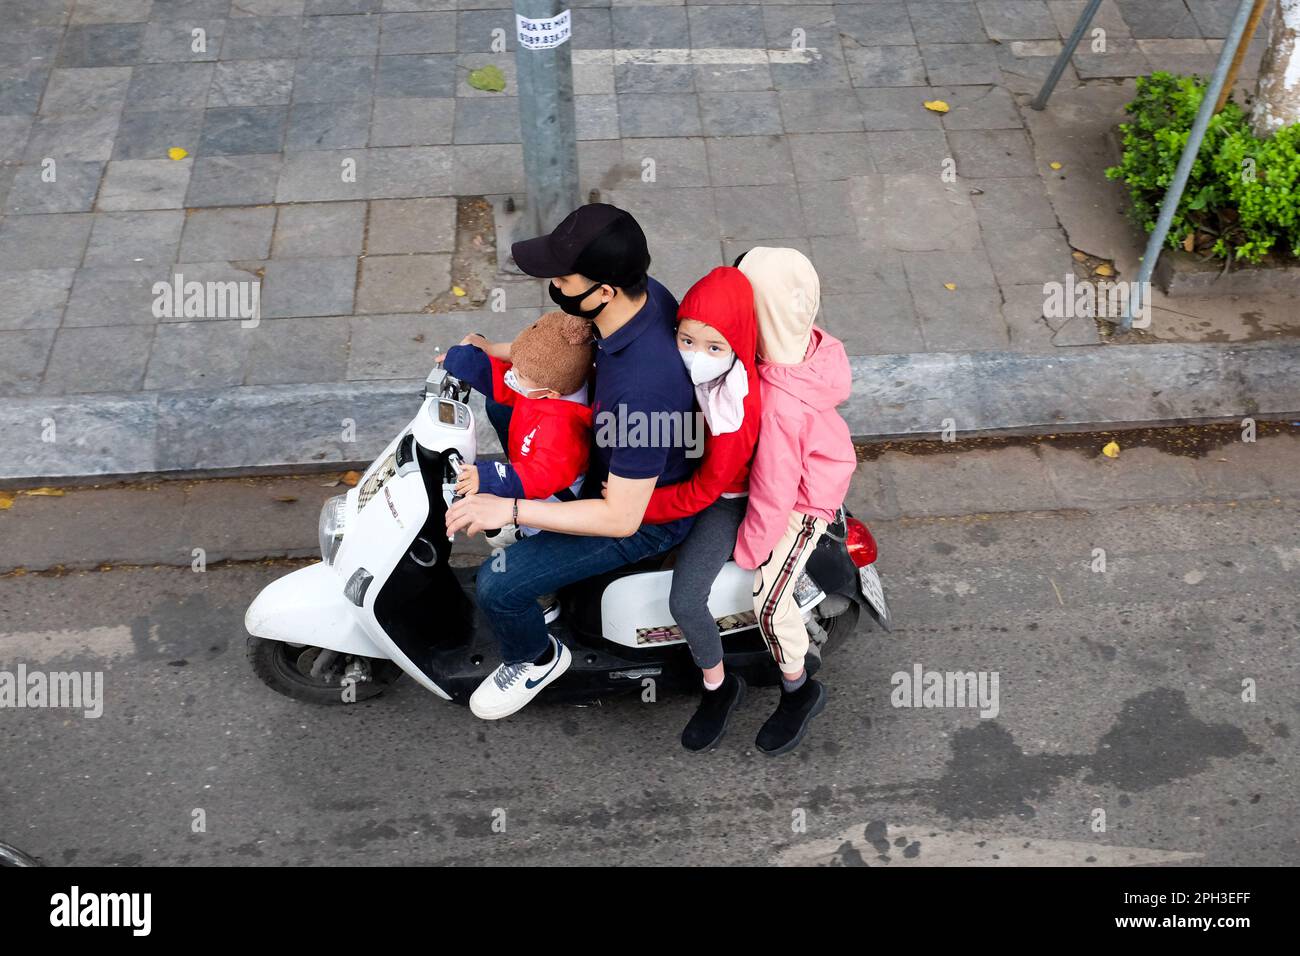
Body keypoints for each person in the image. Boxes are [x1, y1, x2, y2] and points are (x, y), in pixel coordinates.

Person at [445, 203, 698, 720]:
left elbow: (621, 518)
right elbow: (556, 348)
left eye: (561, 278)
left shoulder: (643, 391)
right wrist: (492, 351)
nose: (554, 288)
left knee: (499, 587)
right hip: (607, 453)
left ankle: (535, 657)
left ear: (603, 290)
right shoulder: (639, 298)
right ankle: (544, 522)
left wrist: (510, 509)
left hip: (641, 515)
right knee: (503, 399)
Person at [732, 247, 857, 756]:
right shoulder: (802, 342)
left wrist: (749, 550)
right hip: (818, 458)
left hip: (804, 501)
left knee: (766, 600)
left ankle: (798, 688)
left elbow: (774, 492)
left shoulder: (782, 404)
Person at [634, 266, 761, 752]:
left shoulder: (733, 414)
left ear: (736, 347)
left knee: (685, 600)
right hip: (692, 472)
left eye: (713, 348)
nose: (695, 357)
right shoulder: (699, 378)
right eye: (686, 340)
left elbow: (705, 494)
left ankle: (718, 685)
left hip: (726, 501)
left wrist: (635, 508)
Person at [438, 312, 594, 541]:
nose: (512, 373)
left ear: (550, 393)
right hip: (526, 461)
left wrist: (488, 476)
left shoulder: (563, 429)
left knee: (513, 556)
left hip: (546, 506)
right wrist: (465, 362)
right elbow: (505, 384)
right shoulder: (545, 384)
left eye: (519, 374)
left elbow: (540, 476)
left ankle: (526, 538)